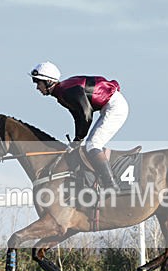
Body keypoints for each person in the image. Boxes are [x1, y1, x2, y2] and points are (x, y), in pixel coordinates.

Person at [30, 61, 129, 191]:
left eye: (38, 82)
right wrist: (77, 139)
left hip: (115, 107)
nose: (37, 87)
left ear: (48, 82)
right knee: (89, 144)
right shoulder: (62, 92)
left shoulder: (66, 92)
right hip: (108, 106)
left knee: (93, 145)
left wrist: (78, 139)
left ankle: (111, 185)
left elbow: (86, 115)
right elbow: (78, 117)